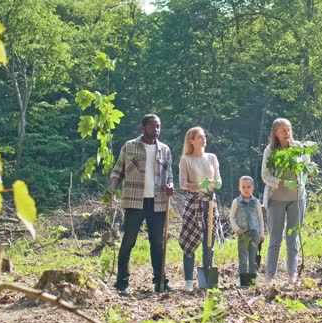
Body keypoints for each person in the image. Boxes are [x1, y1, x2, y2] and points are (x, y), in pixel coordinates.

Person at [109, 114, 174, 296]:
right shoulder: (129, 146)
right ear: (143, 128)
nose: (156, 130)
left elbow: (169, 175)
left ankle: (160, 282)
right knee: (129, 240)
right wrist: (112, 189)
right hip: (134, 200)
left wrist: (171, 185)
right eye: (153, 126)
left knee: (158, 243)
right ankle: (122, 283)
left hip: (158, 201)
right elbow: (117, 171)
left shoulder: (165, 150)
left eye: (159, 126)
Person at [261, 118, 308, 285]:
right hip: (276, 199)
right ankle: (269, 275)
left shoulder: (299, 149)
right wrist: (281, 182)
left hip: (296, 198)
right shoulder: (270, 151)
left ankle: (292, 274)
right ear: (275, 133)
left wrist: (300, 181)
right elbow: (265, 176)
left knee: (293, 237)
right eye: (283, 130)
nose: (287, 133)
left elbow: (306, 170)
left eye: (289, 129)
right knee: (275, 238)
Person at [178, 126, 222, 291]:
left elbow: (218, 179)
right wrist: (198, 186)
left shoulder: (212, 157)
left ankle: (207, 280)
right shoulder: (186, 160)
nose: (204, 139)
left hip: (210, 203)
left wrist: (217, 183)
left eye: (204, 136)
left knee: (209, 242)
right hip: (194, 203)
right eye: (200, 137)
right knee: (190, 240)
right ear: (192, 140)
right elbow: (182, 184)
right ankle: (189, 281)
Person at [228, 175, 265, 287]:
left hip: (254, 233)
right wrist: (236, 229)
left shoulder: (256, 202)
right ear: (239, 188)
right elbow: (231, 217)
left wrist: (261, 234)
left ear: (252, 188)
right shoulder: (237, 202)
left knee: (253, 257)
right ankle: (243, 281)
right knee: (243, 256)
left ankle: (252, 281)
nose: (246, 189)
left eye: (248, 187)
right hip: (242, 233)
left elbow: (260, 218)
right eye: (243, 187)